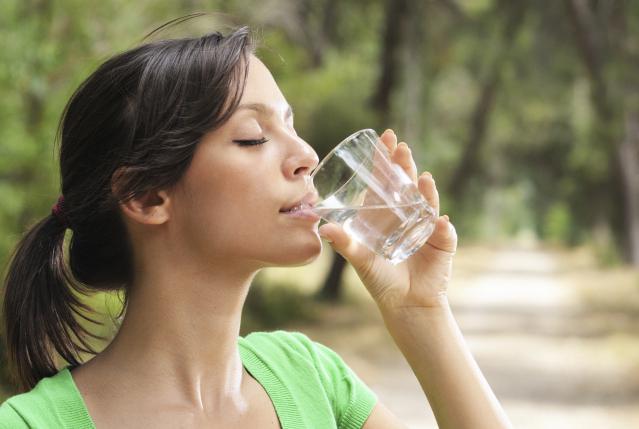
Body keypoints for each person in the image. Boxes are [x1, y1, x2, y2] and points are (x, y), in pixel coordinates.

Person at [0, 22, 512, 429]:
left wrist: (421, 312)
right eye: (252, 137)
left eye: (290, 125)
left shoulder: (310, 378)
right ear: (147, 196)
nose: (307, 156)